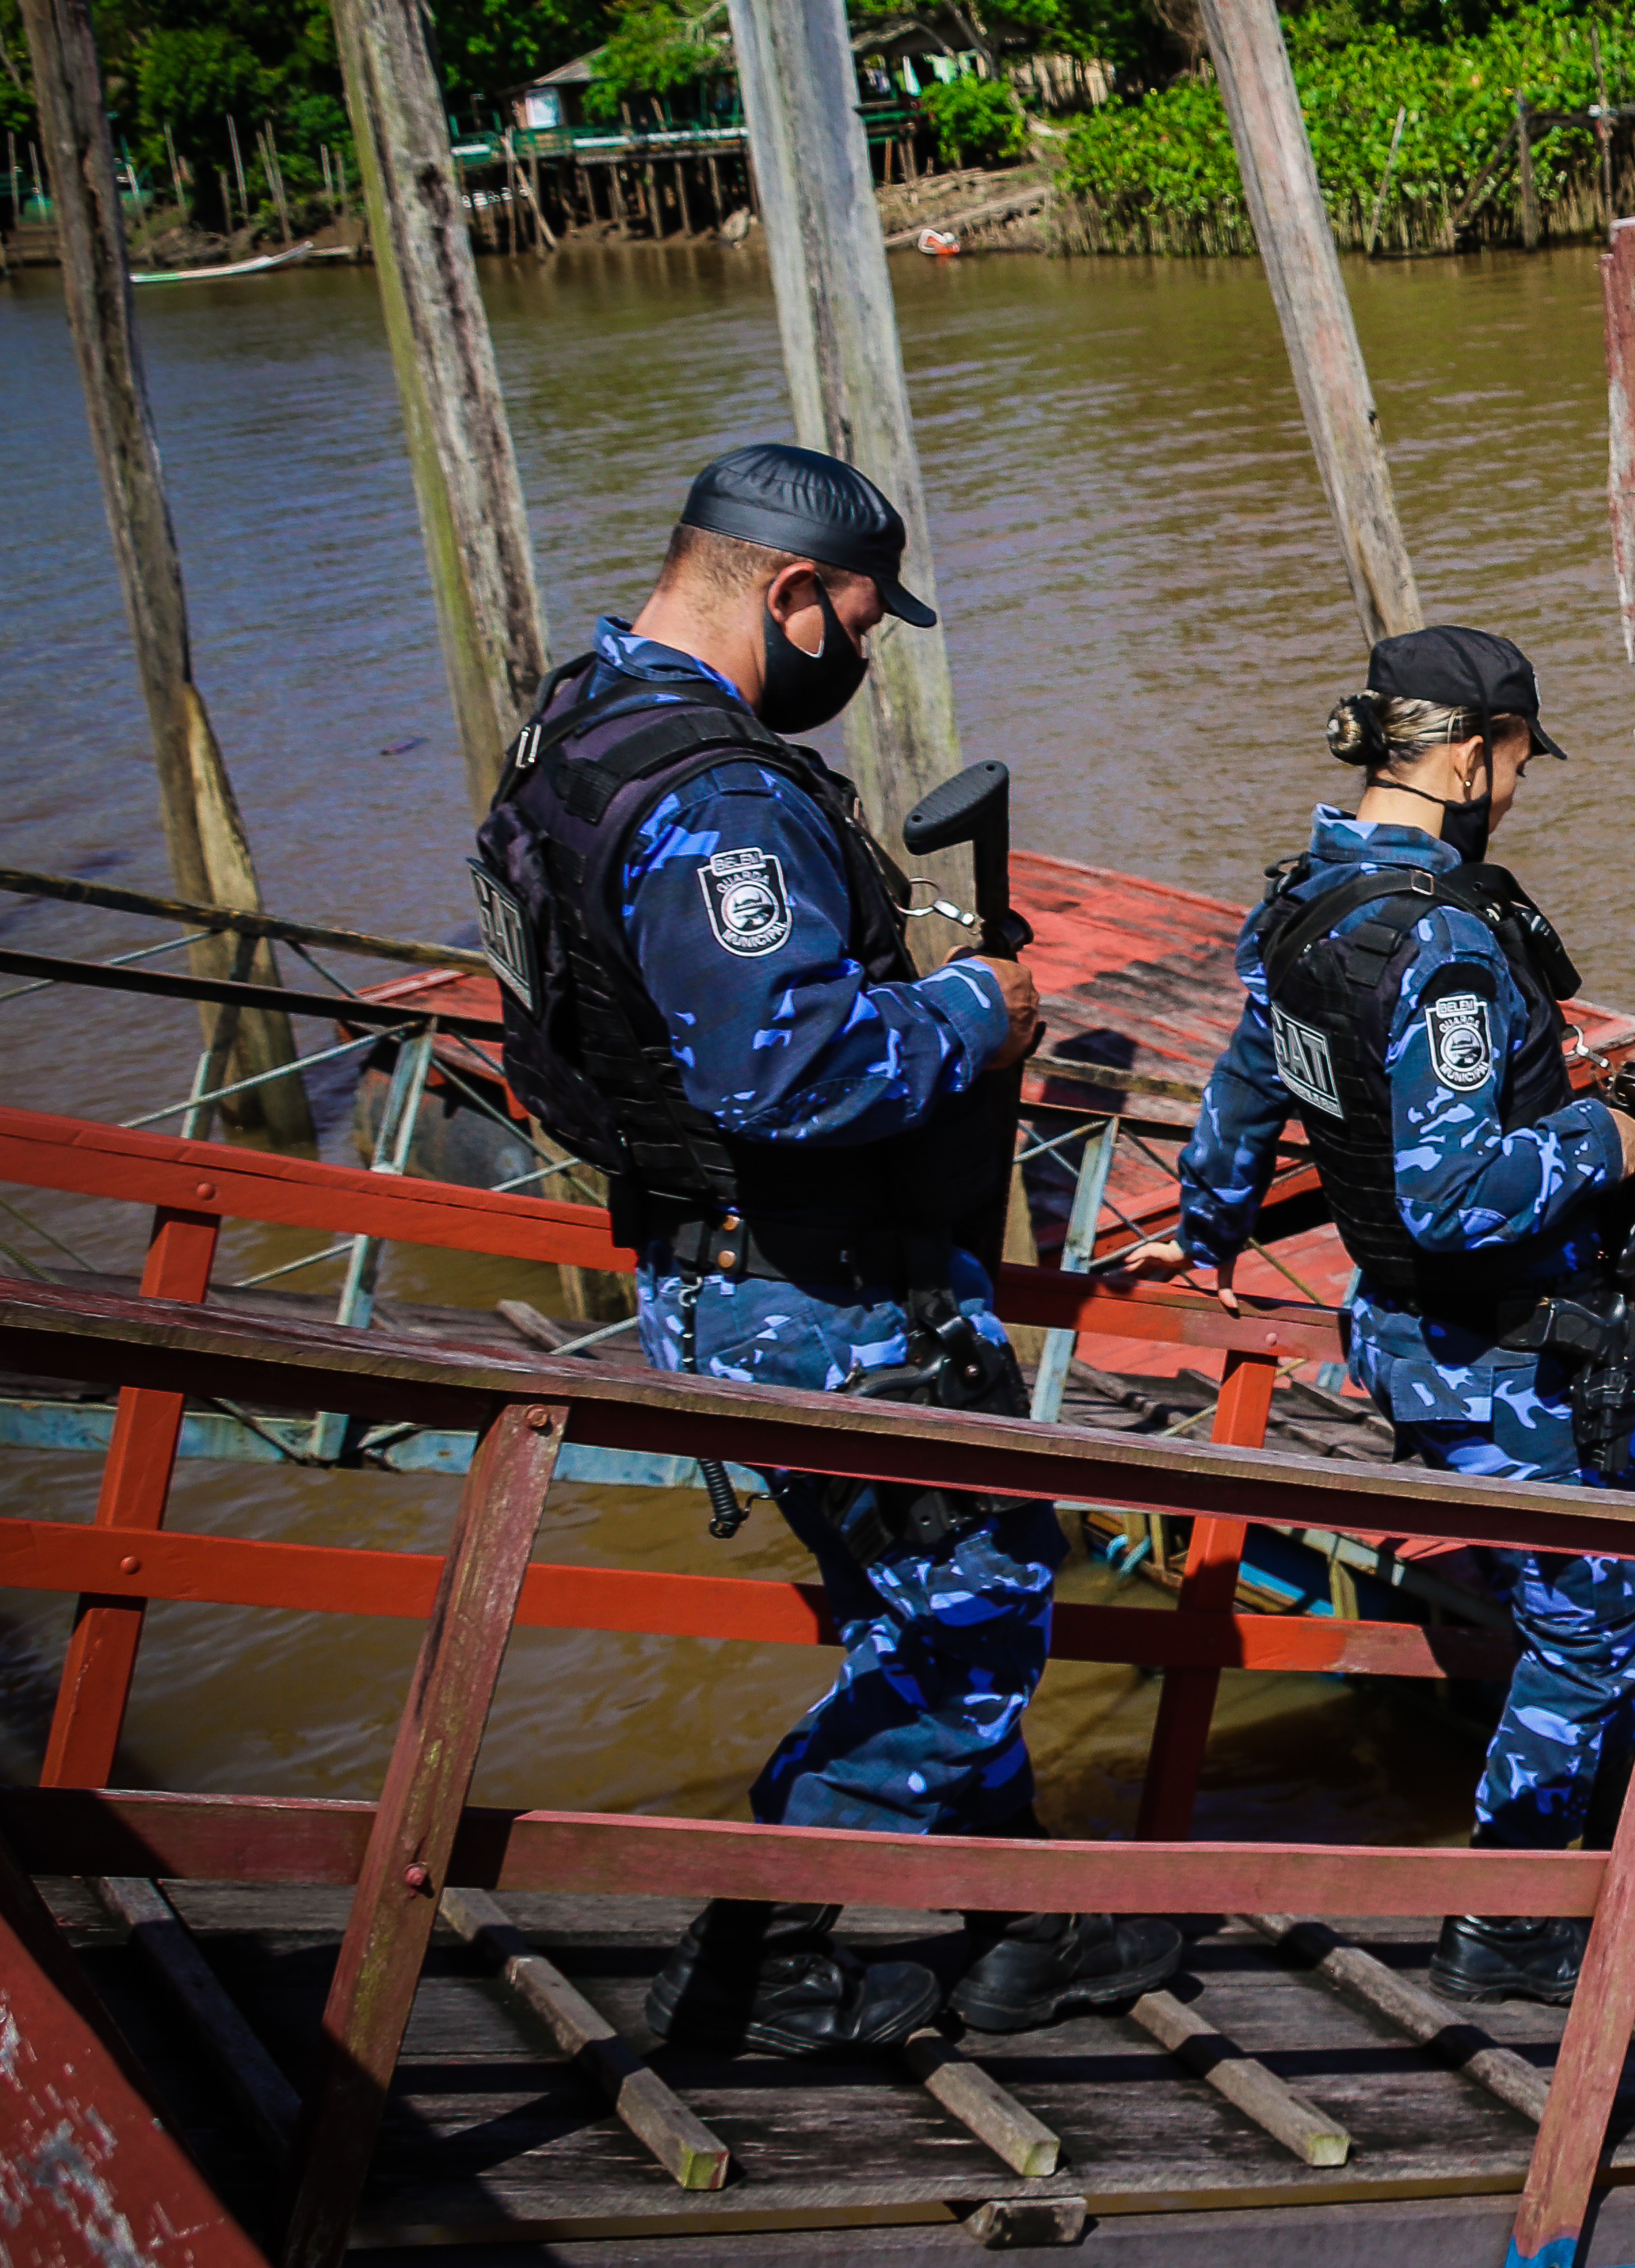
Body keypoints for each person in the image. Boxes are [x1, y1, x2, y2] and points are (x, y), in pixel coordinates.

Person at [470, 442, 1181, 2058]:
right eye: (856, 626)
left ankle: (1022, 1937)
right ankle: (752, 1963)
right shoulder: (718, 795)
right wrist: (972, 1005)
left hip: (707, 1260)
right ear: (789, 592)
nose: (858, 661)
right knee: (978, 1623)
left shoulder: (574, 723)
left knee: (925, 1597)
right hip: (823, 1290)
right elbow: (786, 1071)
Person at [1172, 624, 1635, 2006]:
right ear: (1469, 752)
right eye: (1517, 758)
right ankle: (1514, 1918)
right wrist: (1603, 1139)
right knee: (1591, 1621)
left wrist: (1209, 1228)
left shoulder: (1300, 904)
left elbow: (1245, 1083)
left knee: (1587, 1593)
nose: (1518, 788)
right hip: (1506, 1341)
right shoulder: (1447, 941)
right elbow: (1459, 1189)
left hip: (1399, 1326)